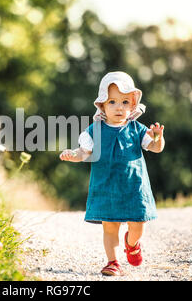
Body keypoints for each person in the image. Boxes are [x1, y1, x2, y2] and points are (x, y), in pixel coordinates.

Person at [59, 71, 165, 276]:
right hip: (106, 186)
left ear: (133, 105)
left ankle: (131, 243)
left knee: (138, 225)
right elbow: (84, 152)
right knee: (110, 227)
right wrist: (73, 155)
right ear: (102, 105)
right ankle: (113, 261)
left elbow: (154, 147)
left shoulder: (137, 129)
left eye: (125, 102)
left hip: (134, 187)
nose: (119, 107)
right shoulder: (94, 130)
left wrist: (158, 138)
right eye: (113, 102)